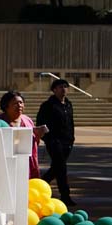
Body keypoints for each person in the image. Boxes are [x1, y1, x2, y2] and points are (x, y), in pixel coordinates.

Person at [36, 78, 76, 207]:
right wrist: (49, 139)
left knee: (57, 168)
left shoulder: (68, 104)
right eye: (60, 87)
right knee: (61, 168)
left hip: (67, 141)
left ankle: (39, 186)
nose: (63, 89)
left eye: (65, 86)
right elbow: (41, 123)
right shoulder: (48, 105)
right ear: (54, 90)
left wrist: (72, 138)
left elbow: (71, 122)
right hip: (54, 142)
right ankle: (65, 196)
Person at [0, 90, 46, 178]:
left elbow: (34, 142)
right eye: (15, 103)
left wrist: (38, 135)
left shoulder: (27, 120)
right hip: (6, 163)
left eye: (21, 102)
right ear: (6, 106)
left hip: (27, 163)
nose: (19, 105)